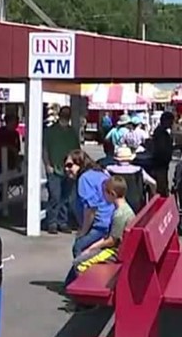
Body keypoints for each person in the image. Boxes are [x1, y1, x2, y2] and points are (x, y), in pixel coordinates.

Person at [66, 175, 137, 286]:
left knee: (79, 264)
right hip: (118, 247)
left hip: (115, 252)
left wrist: (94, 247)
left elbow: (112, 241)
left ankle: (86, 294)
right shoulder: (126, 209)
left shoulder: (119, 214)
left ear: (112, 194)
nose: (103, 197)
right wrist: (92, 247)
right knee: (85, 252)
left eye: (104, 193)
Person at [64, 149, 114, 260]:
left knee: (78, 247)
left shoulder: (84, 179)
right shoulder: (99, 172)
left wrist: (83, 231)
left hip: (100, 225)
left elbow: (91, 209)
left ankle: (81, 275)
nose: (66, 169)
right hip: (109, 222)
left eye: (70, 165)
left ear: (80, 163)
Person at [43, 106, 81, 234]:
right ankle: (52, 222)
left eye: (67, 114)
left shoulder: (72, 132)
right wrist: (47, 165)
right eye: (64, 114)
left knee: (66, 197)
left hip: (69, 170)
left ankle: (62, 222)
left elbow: (77, 151)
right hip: (54, 168)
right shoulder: (50, 131)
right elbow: (45, 149)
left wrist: (76, 167)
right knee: (55, 196)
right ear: (59, 115)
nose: (65, 116)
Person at [103, 146, 157, 214]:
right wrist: (153, 195)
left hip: (116, 205)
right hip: (137, 206)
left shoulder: (109, 170)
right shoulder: (139, 170)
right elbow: (153, 183)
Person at [148, 111, 175, 195]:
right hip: (160, 165)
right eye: (171, 121)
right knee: (161, 189)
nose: (172, 123)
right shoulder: (161, 133)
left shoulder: (162, 132)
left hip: (163, 165)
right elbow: (161, 149)